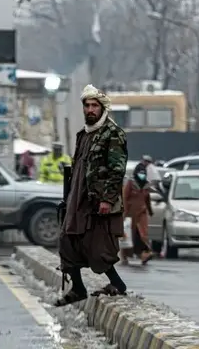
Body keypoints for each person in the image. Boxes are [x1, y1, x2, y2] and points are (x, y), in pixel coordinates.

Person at [55, 84, 128, 307]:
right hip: (77, 201)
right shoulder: (83, 135)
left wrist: (107, 198)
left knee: (98, 247)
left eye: (94, 105)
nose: (90, 109)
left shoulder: (112, 134)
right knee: (68, 242)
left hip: (97, 203)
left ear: (102, 108)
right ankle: (77, 288)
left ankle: (118, 285)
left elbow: (117, 170)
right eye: (86, 105)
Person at [121, 163, 154, 265]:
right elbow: (125, 197)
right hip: (130, 214)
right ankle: (125, 255)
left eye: (144, 173)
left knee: (142, 234)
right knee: (130, 236)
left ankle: (145, 253)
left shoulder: (146, 185)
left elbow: (147, 199)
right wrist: (124, 213)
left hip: (142, 213)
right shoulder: (130, 183)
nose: (142, 175)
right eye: (140, 173)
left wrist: (150, 210)